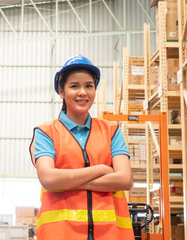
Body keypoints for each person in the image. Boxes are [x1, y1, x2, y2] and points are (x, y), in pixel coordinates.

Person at [29, 55, 134, 240]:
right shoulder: (45, 133)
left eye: (88, 86)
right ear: (61, 91)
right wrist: (101, 170)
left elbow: (125, 179)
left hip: (109, 235)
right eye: (74, 86)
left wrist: (66, 180)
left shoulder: (111, 131)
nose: (82, 92)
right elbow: (48, 179)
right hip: (61, 235)